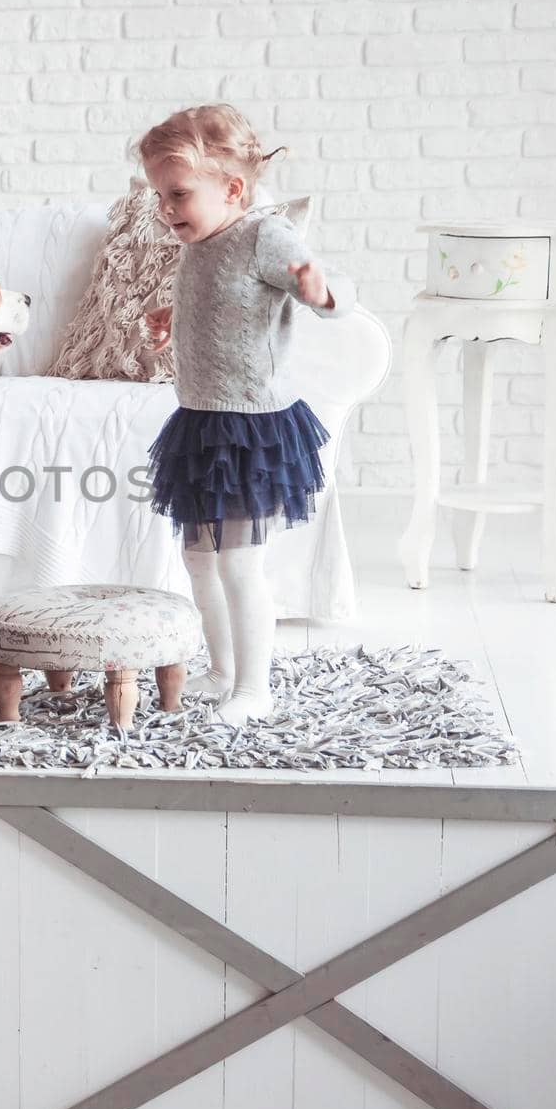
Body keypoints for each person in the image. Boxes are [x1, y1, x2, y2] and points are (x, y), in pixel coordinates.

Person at [138, 104, 356, 724]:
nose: (166, 209)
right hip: (201, 419)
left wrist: (322, 292)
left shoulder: (264, 234)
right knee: (197, 558)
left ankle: (255, 687)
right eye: (160, 196)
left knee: (238, 560)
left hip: (251, 427)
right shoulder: (199, 243)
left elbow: (327, 296)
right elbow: (216, 306)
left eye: (178, 194)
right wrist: (170, 319)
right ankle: (225, 668)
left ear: (233, 189)